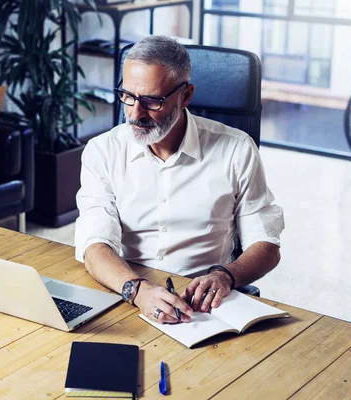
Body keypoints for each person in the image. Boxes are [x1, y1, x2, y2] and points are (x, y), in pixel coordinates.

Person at [74, 36, 284, 325]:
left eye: (151, 100)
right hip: (128, 291)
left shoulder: (236, 149)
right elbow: (94, 245)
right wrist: (138, 291)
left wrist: (226, 275)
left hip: (203, 305)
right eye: (128, 96)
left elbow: (266, 244)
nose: (136, 113)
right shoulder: (102, 151)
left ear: (186, 96)